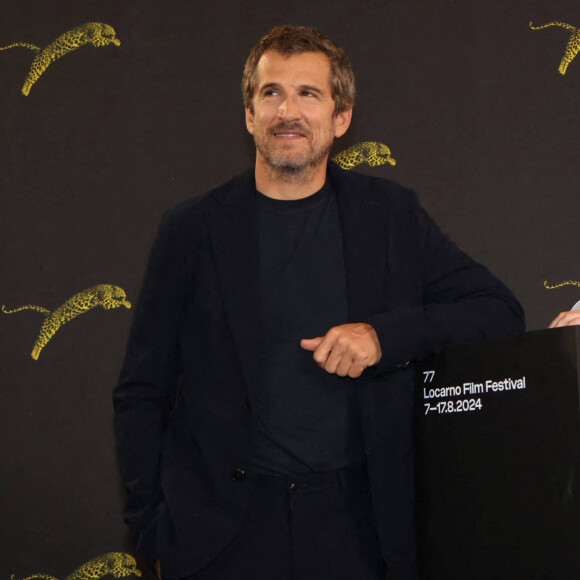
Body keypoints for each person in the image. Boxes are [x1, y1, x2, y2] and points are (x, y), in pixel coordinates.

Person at [113, 25, 525, 580]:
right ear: (249, 114)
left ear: (341, 117)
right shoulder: (192, 230)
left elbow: (497, 310)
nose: (289, 111)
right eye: (271, 92)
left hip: (356, 532)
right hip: (222, 538)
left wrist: (383, 337)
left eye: (309, 93)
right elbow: (142, 391)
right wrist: (150, 532)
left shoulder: (390, 217)